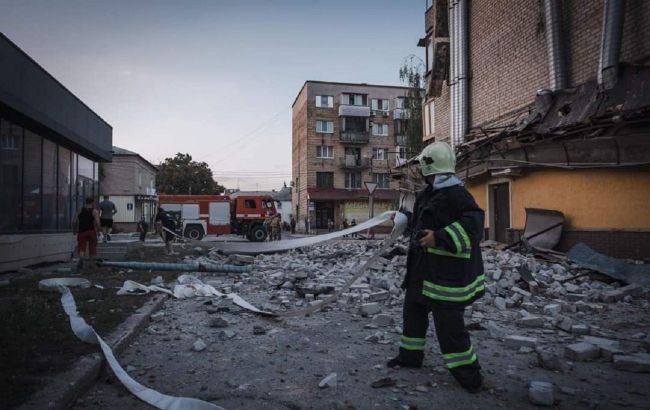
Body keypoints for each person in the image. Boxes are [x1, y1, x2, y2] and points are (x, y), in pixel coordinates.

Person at [387, 141, 485, 393]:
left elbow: (474, 228)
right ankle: (410, 358)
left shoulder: (458, 195)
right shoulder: (426, 195)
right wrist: (403, 220)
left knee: (450, 329)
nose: (420, 173)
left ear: (431, 169)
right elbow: (419, 224)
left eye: (422, 169)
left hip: (445, 278)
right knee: (413, 316)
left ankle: (469, 376)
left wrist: (439, 237)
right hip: (422, 272)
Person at [72, 197, 100, 270]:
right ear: (93, 202)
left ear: (86, 202)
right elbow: (97, 222)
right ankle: (91, 264)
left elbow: (74, 221)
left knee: (81, 247)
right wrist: (99, 231)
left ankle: (81, 258)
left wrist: (74, 230)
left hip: (82, 231)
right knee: (92, 247)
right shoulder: (94, 211)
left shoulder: (80, 210)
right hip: (91, 231)